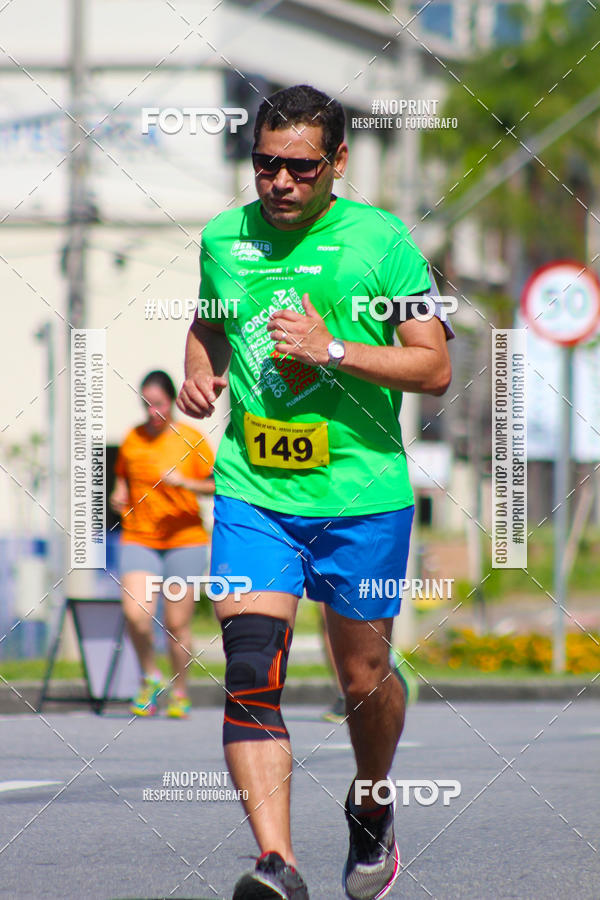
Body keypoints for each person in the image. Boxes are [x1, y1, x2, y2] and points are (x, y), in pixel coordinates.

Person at [177, 84, 453, 899]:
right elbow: (209, 322)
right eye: (265, 164)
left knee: (364, 676)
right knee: (250, 661)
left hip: (361, 494)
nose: (280, 183)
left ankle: (371, 801)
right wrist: (202, 374)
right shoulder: (224, 237)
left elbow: (433, 365)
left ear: (338, 162)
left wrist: (333, 350)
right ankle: (278, 865)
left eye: (300, 166)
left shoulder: (385, 241)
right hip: (253, 490)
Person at [110, 370, 215, 719]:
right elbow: (123, 475)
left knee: (175, 624)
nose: (151, 411)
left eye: (157, 404)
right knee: (135, 615)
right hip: (140, 537)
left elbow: (218, 485)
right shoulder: (133, 438)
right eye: (146, 404)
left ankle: (180, 690)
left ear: (171, 402)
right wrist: (119, 491)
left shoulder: (191, 438)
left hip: (184, 540)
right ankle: (150, 676)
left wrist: (184, 481)